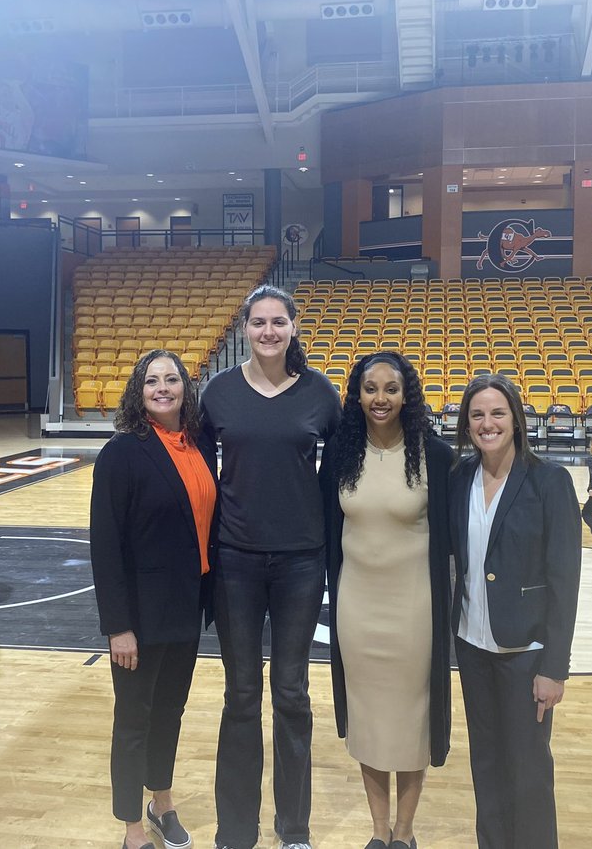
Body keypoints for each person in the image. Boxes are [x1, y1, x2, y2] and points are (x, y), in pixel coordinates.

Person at [200, 285, 340, 849]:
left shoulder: (319, 393)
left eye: (278, 322)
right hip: (234, 558)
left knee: (291, 693)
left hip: (302, 562)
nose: (268, 332)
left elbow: (347, 459)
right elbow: (195, 464)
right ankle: (236, 830)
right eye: (259, 322)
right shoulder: (219, 393)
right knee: (239, 695)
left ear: (293, 328)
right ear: (245, 328)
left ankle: (294, 829)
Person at [319, 352, 453, 849]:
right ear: (356, 395)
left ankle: (405, 832)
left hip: (415, 607)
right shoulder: (339, 454)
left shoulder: (434, 456)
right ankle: (378, 833)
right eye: (370, 388)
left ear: (406, 394)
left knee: (412, 718)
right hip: (357, 605)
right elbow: (327, 528)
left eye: (391, 388)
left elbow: (453, 536)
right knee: (369, 716)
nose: (380, 398)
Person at [90, 350, 218, 849]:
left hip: (186, 608)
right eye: (151, 381)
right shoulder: (122, 452)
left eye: (171, 379)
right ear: (138, 391)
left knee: (170, 712)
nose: (162, 388)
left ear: (185, 387)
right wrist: (118, 626)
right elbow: (105, 546)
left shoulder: (198, 445)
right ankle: (132, 829)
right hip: (140, 619)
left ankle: (161, 802)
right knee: (133, 721)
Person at [449, 374, 581, 849]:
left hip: (526, 650)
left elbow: (565, 581)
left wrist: (553, 667)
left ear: (516, 419)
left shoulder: (549, 480)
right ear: (467, 424)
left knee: (527, 769)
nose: (488, 423)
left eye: (497, 413)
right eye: (477, 415)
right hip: (472, 645)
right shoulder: (460, 477)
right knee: (485, 764)